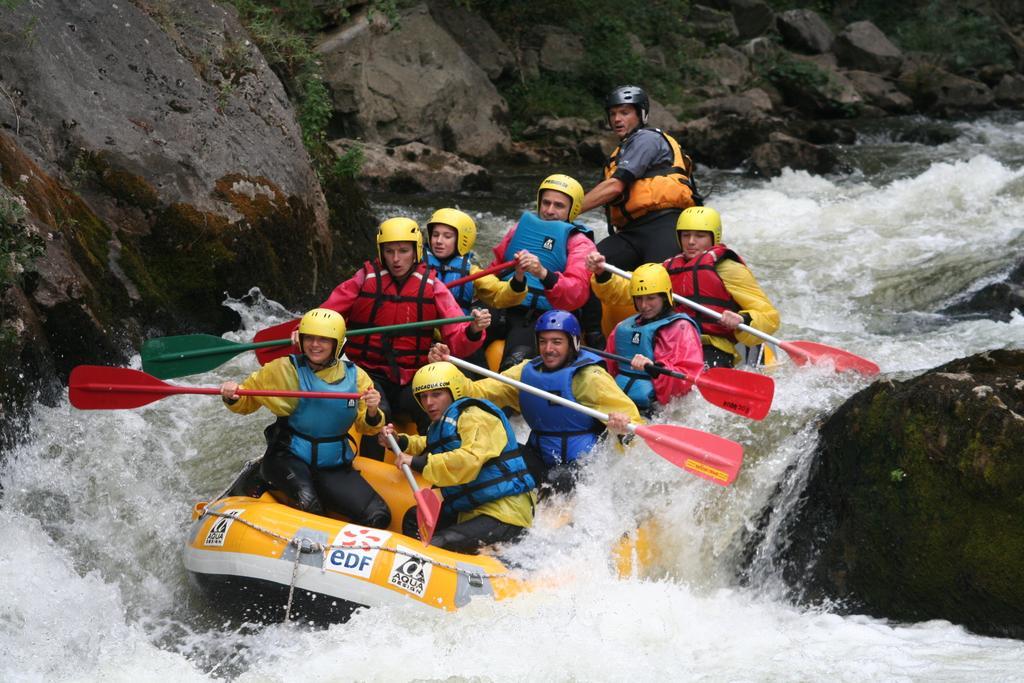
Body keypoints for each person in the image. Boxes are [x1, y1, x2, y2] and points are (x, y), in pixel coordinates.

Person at [317, 217, 491, 456]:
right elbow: (325, 316)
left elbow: (458, 340)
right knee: (379, 410)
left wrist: (473, 330)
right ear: (381, 252)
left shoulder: (432, 286)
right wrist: (307, 333)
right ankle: (372, 468)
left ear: (416, 251)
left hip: (411, 375)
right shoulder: (363, 280)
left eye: (403, 251)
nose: (396, 259)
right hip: (368, 372)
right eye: (389, 251)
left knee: (431, 406)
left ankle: (438, 462)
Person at [430, 310, 642, 493]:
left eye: (557, 342)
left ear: (573, 343)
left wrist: (622, 427)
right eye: (543, 341)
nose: (548, 349)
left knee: (562, 479)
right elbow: (478, 391)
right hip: (541, 459)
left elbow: (634, 423)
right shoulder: (525, 372)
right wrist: (447, 369)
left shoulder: (590, 377)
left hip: (584, 466)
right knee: (495, 458)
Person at [220, 308, 391, 528]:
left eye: (323, 339)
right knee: (309, 504)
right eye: (309, 338)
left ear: (337, 344)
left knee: (378, 515)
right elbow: (247, 401)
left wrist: (373, 411)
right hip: (289, 457)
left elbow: (366, 428)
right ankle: (265, 481)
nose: (314, 345)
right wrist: (233, 395)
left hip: (332, 465)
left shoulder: (357, 377)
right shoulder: (284, 370)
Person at [588, 206, 780, 368]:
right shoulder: (667, 268)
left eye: (700, 236)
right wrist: (602, 273)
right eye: (686, 235)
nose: (691, 242)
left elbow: (769, 316)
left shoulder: (729, 269)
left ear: (714, 237)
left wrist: (743, 318)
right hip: (670, 341)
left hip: (711, 343)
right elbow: (625, 290)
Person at [380, 362, 536, 554]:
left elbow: (469, 459)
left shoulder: (477, 417)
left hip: (505, 512)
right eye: (424, 396)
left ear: (454, 392)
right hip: (472, 508)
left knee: (440, 541)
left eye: (436, 394)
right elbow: (430, 443)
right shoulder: (442, 424)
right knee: (414, 518)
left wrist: (417, 461)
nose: (429, 402)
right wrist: (400, 442)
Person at [578, 85, 700, 271]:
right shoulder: (621, 152)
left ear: (641, 114)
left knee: (659, 286)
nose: (617, 119)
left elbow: (615, 187)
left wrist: (569, 210)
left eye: (624, 113)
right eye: (612, 114)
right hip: (630, 233)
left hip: (663, 225)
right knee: (587, 268)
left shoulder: (647, 139)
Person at [490, 174, 599, 370]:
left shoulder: (580, 243)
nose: (549, 211)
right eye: (546, 203)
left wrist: (543, 273)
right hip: (504, 306)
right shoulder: (518, 230)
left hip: (540, 316)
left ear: (572, 209)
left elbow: (576, 293)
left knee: (513, 364)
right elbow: (492, 270)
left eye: (559, 206)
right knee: (461, 335)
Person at [603, 263, 704, 413]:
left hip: (659, 411)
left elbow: (688, 381)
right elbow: (608, 369)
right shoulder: (623, 327)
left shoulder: (681, 328)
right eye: (639, 298)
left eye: (651, 298)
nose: (644, 305)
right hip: (622, 407)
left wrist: (655, 369)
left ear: (665, 297)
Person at [424, 207, 526, 313]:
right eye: (435, 235)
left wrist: (519, 275)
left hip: (456, 328)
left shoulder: (472, 272)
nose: (439, 241)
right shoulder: (415, 265)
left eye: (447, 236)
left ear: (462, 240)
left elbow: (500, 295)